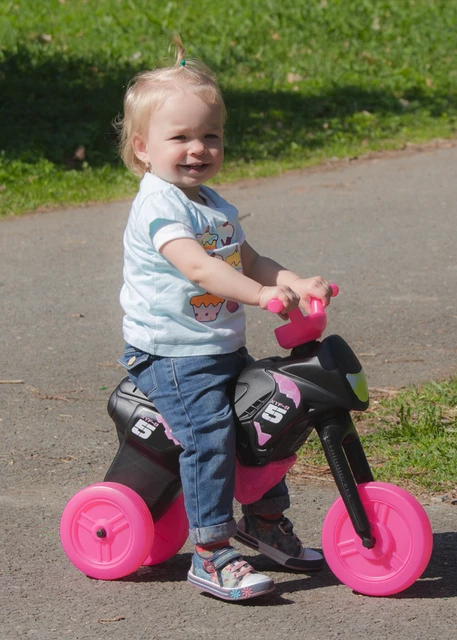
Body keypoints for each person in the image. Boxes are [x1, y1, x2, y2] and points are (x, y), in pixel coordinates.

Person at [114, 37, 332, 601]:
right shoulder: (159, 203)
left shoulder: (212, 202)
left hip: (215, 346)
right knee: (210, 437)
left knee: (264, 423)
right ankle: (210, 551)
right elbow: (201, 269)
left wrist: (292, 281)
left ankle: (262, 522)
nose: (198, 148)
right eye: (180, 137)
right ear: (142, 148)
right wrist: (261, 298)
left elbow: (248, 259)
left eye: (210, 135)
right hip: (171, 355)